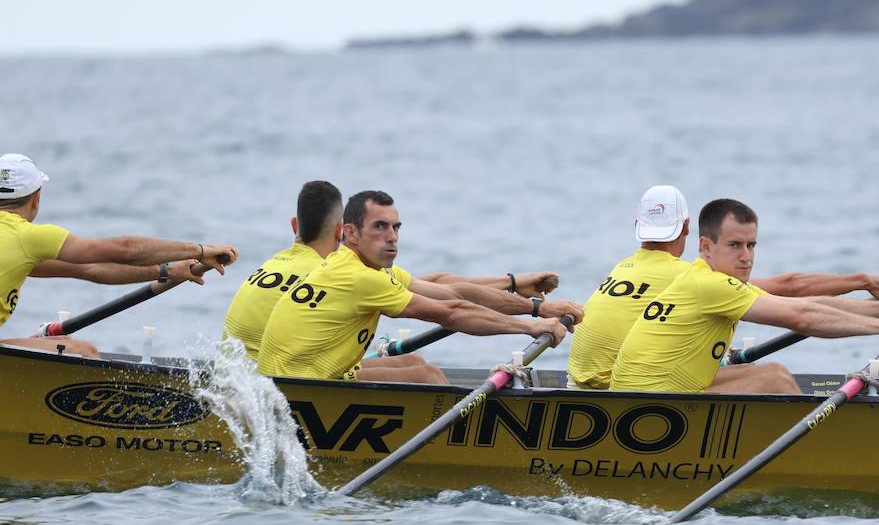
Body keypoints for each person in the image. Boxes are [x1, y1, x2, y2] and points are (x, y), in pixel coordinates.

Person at [569, 185, 879, 389]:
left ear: (637, 227)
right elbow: (797, 304)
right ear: (696, 237)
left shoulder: (626, 267)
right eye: (735, 246)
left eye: (752, 246)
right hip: (629, 395)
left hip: (601, 384)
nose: (746, 257)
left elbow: (804, 306)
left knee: (762, 372)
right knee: (774, 381)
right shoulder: (695, 278)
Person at [224, 180, 575, 362]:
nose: (392, 237)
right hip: (284, 388)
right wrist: (532, 323)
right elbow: (451, 310)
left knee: (418, 369)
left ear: (294, 225)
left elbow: (442, 287)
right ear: (344, 234)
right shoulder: (345, 271)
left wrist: (517, 289)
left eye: (396, 227)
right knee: (422, 373)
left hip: (266, 377)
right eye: (380, 227)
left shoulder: (322, 262)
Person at [0, 153, 236, 357]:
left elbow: (88, 269)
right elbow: (126, 250)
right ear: (36, 198)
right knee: (83, 352)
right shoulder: (27, 236)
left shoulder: (19, 249)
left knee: (59, 345)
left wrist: (166, 270)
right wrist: (200, 250)